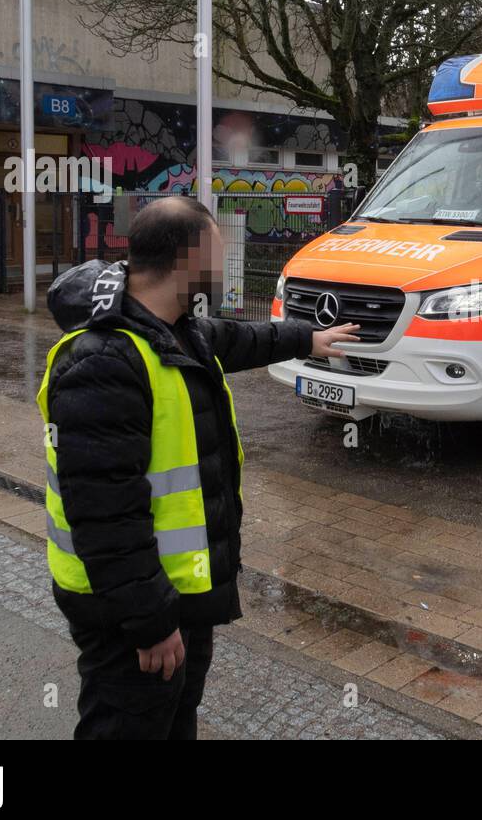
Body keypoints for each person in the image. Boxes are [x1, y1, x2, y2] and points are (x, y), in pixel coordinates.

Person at [36, 196, 360, 738]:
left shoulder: (176, 328)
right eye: (218, 246)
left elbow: (237, 339)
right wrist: (151, 623)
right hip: (127, 609)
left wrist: (309, 339)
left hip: (178, 595)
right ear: (190, 258)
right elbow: (106, 515)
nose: (225, 258)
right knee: (126, 727)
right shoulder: (105, 362)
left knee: (172, 720)